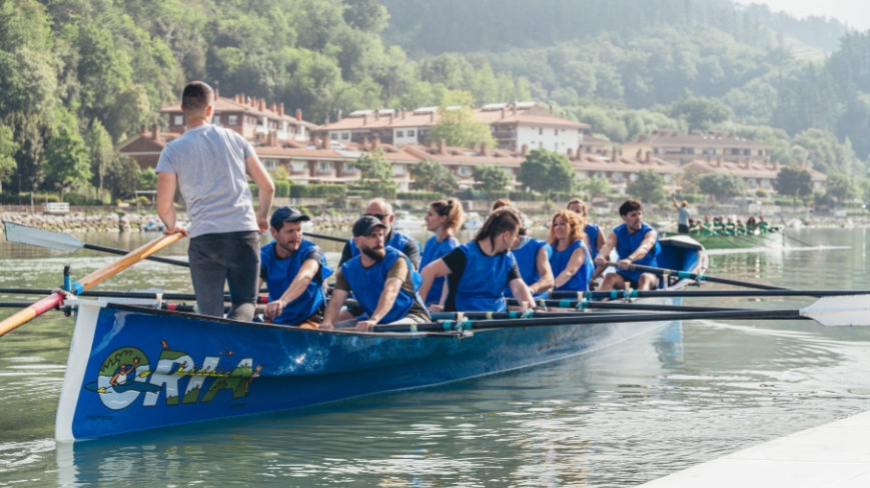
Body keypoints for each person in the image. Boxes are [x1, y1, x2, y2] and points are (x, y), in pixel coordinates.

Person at [156, 81, 275, 321]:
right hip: (244, 232)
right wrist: (262, 216)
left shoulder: (172, 150)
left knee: (209, 311)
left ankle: (216, 349)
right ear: (210, 109)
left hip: (205, 238)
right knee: (244, 302)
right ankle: (233, 346)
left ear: (182, 108)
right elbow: (268, 186)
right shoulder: (236, 139)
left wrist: (172, 226)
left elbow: (164, 207)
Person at [322, 216, 430, 332]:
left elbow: (391, 291)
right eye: (373, 236)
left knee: (385, 332)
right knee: (334, 332)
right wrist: (327, 323)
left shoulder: (396, 260)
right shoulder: (348, 269)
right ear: (357, 241)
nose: (379, 240)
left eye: (381, 234)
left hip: (412, 316)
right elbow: (337, 299)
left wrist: (374, 319)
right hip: (379, 320)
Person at [419, 207, 536, 312]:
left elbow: (519, 288)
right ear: (505, 235)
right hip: (463, 318)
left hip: (496, 317)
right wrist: (420, 309)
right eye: (515, 235)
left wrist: (533, 310)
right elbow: (428, 271)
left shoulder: (508, 258)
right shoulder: (463, 254)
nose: (517, 239)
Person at [259, 206, 333, 328]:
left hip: (310, 317)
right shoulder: (264, 255)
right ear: (273, 232)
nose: (297, 236)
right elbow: (252, 286)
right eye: (290, 231)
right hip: (277, 317)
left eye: (299, 230)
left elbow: (306, 275)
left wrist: (282, 301)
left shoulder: (312, 251)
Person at [594, 199, 661, 292]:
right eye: (633, 215)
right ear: (624, 218)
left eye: (640, 214)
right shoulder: (617, 232)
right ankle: (600, 304)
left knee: (644, 278)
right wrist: (601, 255)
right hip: (625, 276)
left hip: (648, 275)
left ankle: (639, 304)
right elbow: (608, 246)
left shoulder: (650, 232)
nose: (638, 218)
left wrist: (629, 259)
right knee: (609, 277)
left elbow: (644, 248)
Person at [339, 198, 421, 269]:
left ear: (391, 219)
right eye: (368, 216)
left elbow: (409, 276)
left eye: (378, 217)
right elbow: (341, 273)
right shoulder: (352, 243)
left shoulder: (407, 244)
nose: (373, 221)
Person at [419, 198, 464, 308]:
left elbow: (449, 282)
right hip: (422, 300)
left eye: (430, 215)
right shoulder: (430, 242)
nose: (426, 218)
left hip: (434, 305)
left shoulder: (451, 246)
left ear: (442, 218)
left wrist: (442, 305)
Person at [548, 209, 594, 292]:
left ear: (573, 227)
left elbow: (570, 271)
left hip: (575, 296)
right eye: (555, 224)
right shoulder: (551, 247)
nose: (558, 227)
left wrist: (551, 287)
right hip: (553, 295)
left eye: (562, 224)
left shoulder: (579, 247)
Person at [567, 197, 606, 282]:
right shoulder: (561, 231)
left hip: (593, 275)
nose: (574, 214)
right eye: (571, 211)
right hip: (569, 276)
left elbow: (606, 257)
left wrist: (593, 277)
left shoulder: (595, 230)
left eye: (578, 211)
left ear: (584, 214)